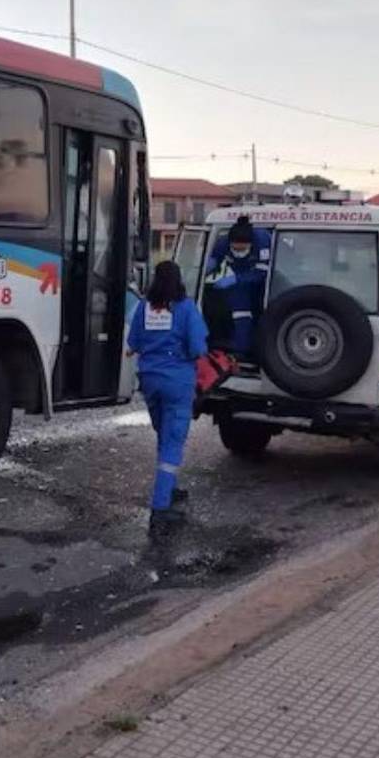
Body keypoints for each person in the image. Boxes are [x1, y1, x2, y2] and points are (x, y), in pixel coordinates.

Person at [127, 260, 209, 535]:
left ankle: (170, 487)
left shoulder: (144, 307)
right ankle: (160, 508)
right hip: (177, 382)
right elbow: (197, 347)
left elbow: (133, 342)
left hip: (150, 380)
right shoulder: (186, 308)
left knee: (164, 435)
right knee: (173, 443)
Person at [203, 215, 272, 356]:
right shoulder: (223, 243)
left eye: (242, 249)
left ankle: (249, 349)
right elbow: (213, 261)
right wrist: (207, 269)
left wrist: (235, 279)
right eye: (236, 249)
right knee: (240, 313)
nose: (239, 253)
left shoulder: (262, 240)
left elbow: (262, 272)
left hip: (263, 283)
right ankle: (241, 350)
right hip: (239, 286)